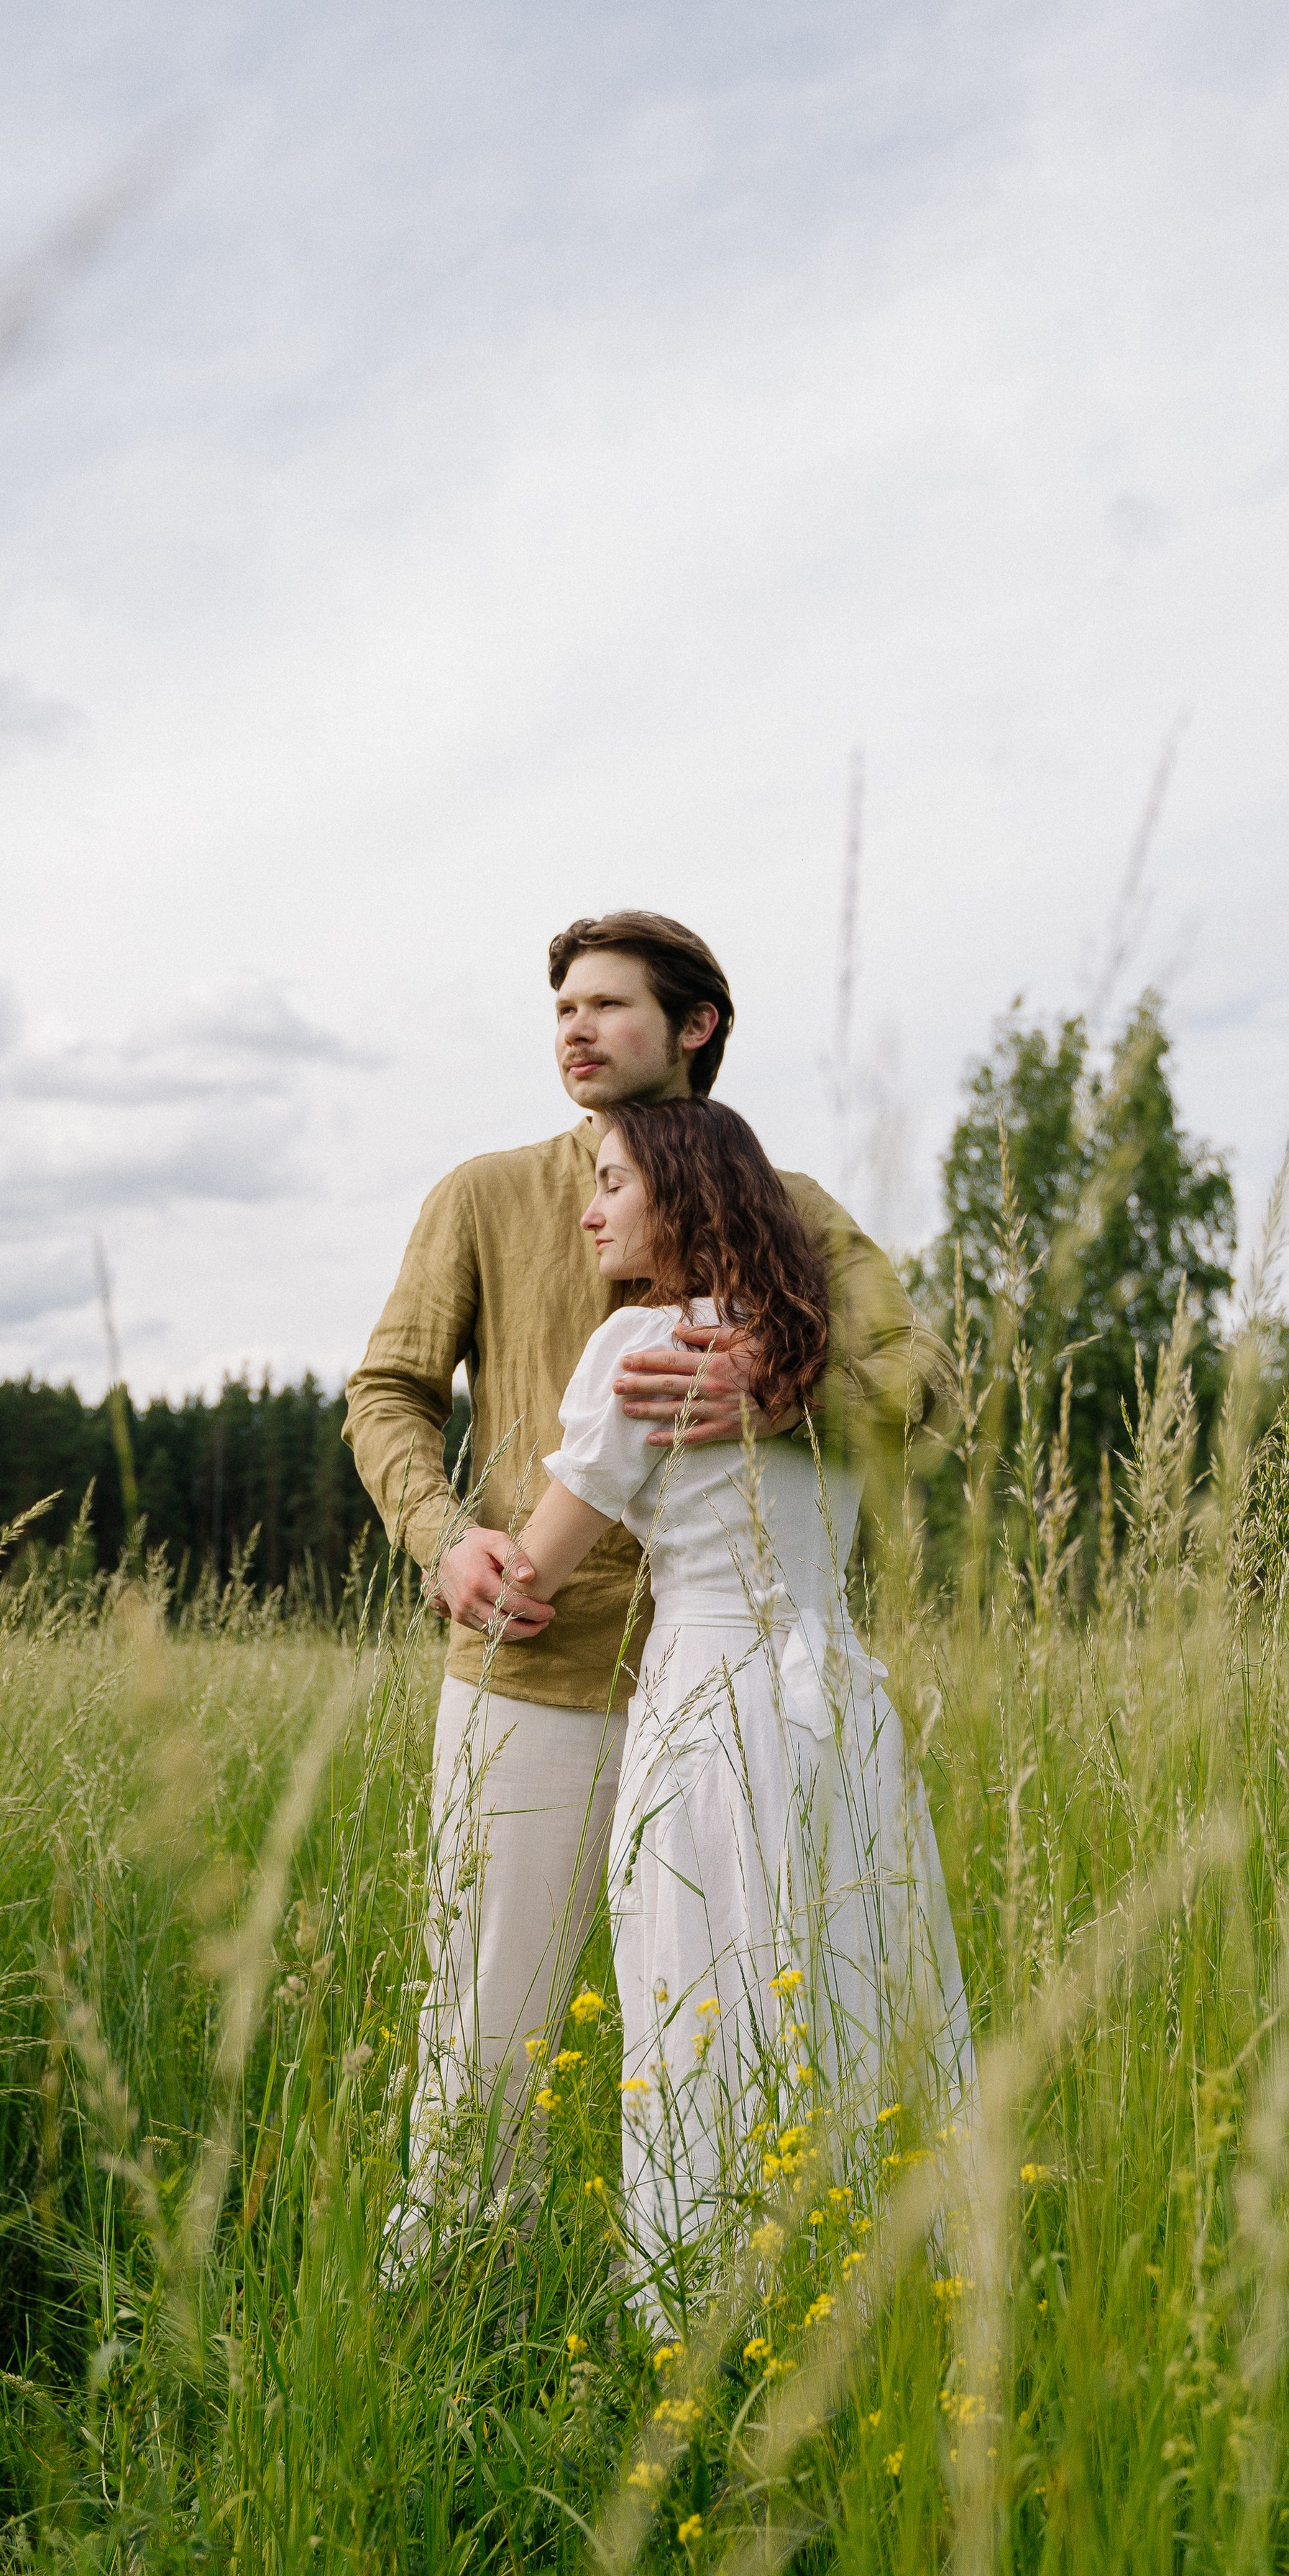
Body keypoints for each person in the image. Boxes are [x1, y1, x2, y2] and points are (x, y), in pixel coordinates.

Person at [344, 911, 955, 2203]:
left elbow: (928, 1380)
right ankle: (447, 2316)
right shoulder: (488, 1194)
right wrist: (444, 1540)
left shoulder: (791, 1211)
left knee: (747, 2015)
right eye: (563, 1005)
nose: (575, 1026)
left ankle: (751, 2294)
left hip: (743, 1703)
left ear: (695, 1027)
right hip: (534, 1669)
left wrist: (791, 1393)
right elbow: (387, 1391)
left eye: (609, 1005)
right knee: (485, 2029)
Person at [501, 1096, 971, 2307]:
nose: (590, 1208)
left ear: (680, 1197)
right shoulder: (809, 1356)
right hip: (839, 1707)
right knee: (857, 1977)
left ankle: (704, 2300)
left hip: (707, 1705)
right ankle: (880, 2277)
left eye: (612, 1184)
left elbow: (532, 1576)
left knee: (698, 1990)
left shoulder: (640, 1350)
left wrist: (464, 1559)